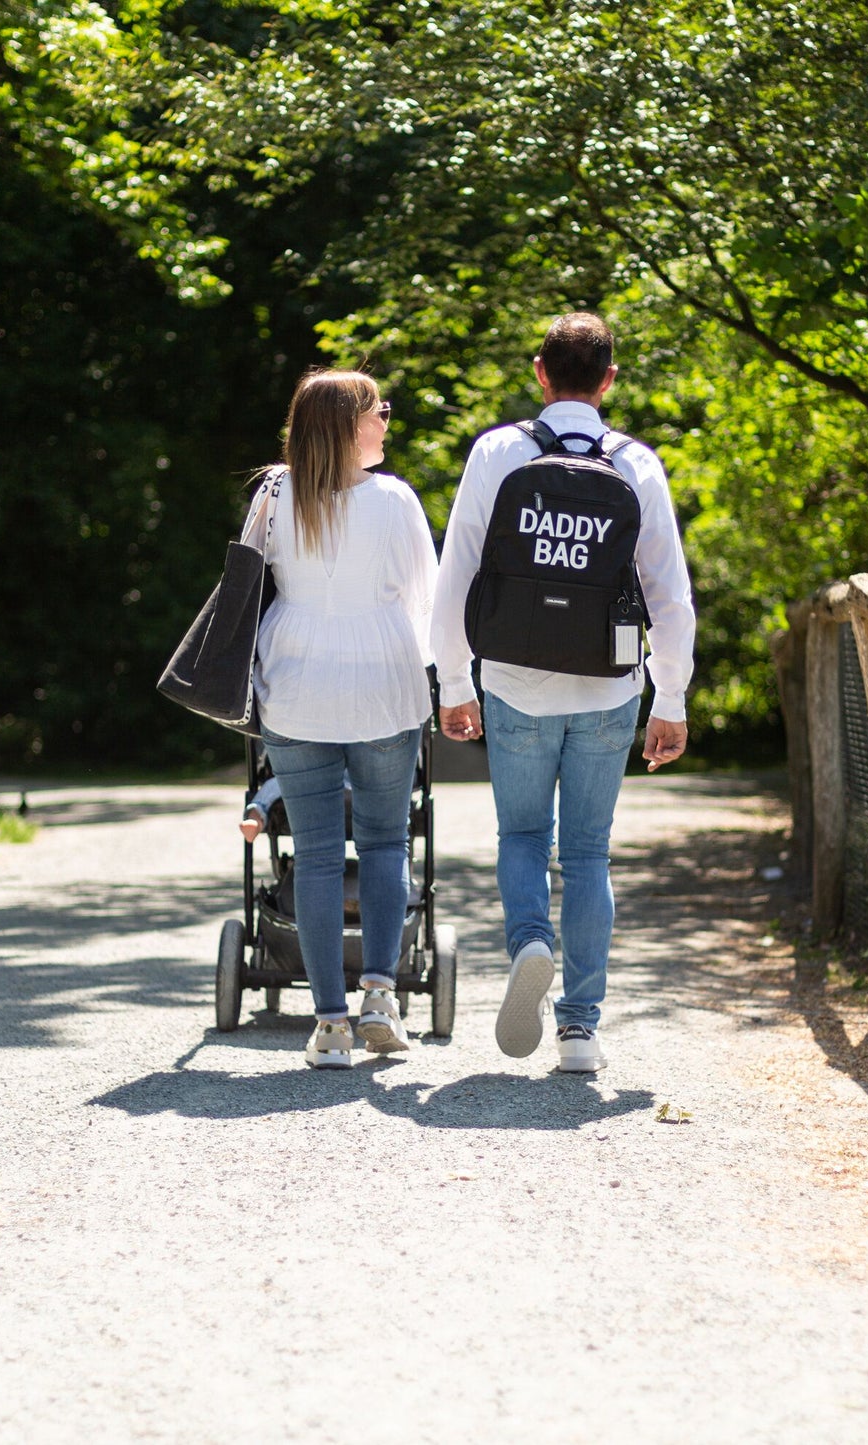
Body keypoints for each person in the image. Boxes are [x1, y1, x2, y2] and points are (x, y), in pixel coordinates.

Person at [432, 313, 695, 1073]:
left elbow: (459, 571)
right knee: (585, 853)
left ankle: (530, 945)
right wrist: (668, 696)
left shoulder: (497, 451)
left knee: (520, 837)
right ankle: (579, 1030)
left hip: (511, 679)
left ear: (540, 373)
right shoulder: (635, 462)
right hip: (607, 683)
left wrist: (453, 678)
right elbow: (666, 591)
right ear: (608, 380)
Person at [253, 368, 438, 1069]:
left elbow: (250, 581)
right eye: (377, 412)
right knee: (387, 841)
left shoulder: (273, 494)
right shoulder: (392, 500)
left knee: (320, 852)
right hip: (381, 680)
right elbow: (425, 596)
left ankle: (328, 1023)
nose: (386, 423)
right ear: (347, 424)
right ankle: (380, 994)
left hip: (296, 678)